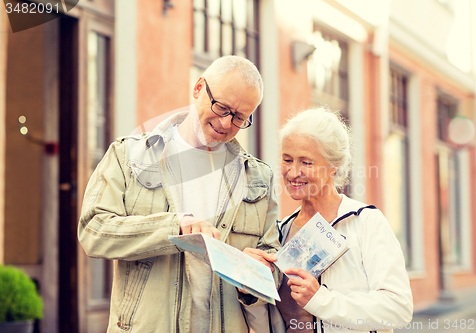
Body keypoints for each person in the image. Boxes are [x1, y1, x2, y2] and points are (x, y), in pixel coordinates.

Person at [78, 55, 281, 333]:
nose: (225, 123)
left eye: (239, 118)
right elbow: (93, 231)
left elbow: (273, 261)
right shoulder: (129, 155)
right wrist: (174, 226)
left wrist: (257, 275)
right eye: (221, 107)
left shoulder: (258, 178)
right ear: (198, 88)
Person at [273, 107, 413, 333]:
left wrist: (321, 299)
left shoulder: (366, 222)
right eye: (287, 159)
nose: (292, 172)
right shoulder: (280, 231)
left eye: (306, 162)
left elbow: (398, 308)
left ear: (333, 166)